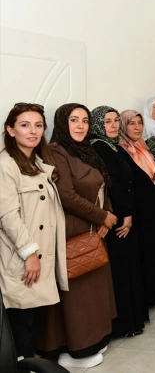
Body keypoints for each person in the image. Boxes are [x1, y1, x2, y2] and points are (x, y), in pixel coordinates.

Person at [38, 103, 118, 369]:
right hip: (73, 231)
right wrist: (102, 216)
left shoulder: (85, 150)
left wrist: (107, 215)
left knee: (94, 292)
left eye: (85, 120)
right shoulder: (56, 151)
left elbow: (102, 186)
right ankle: (76, 349)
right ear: (62, 123)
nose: (81, 125)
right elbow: (66, 195)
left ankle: (94, 340)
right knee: (78, 295)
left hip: (94, 229)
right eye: (74, 120)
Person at [0, 103, 67, 360]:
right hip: (22, 255)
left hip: (42, 253)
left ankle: (28, 364)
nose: (33, 131)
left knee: (34, 318)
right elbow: (8, 215)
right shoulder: (6, 164)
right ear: (11, 130)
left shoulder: (38, 162)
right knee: (21, 320)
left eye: (38, 125)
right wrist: (29, 254)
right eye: (25, 125)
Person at [89, 106, 148, 337]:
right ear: (97, 125)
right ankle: (124, 324)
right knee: (121, 270)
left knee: (127, 267)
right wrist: (127, 214)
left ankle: (130, 321)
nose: (113, 125)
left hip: (121, 215)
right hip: (117, 219)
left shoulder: (112, 146)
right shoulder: (100, 147)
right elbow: (113, 184)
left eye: (115, 120)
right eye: (107, 121)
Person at [118, 110, 155, 307]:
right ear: (123, 126)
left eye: (140, 123)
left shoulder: (142, 146)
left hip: (151, 206)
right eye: (132, 123)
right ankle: (146, 295)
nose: (137, 127)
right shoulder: (120, 150)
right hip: (137, 209)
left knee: (153, 249)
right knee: (142, 251)